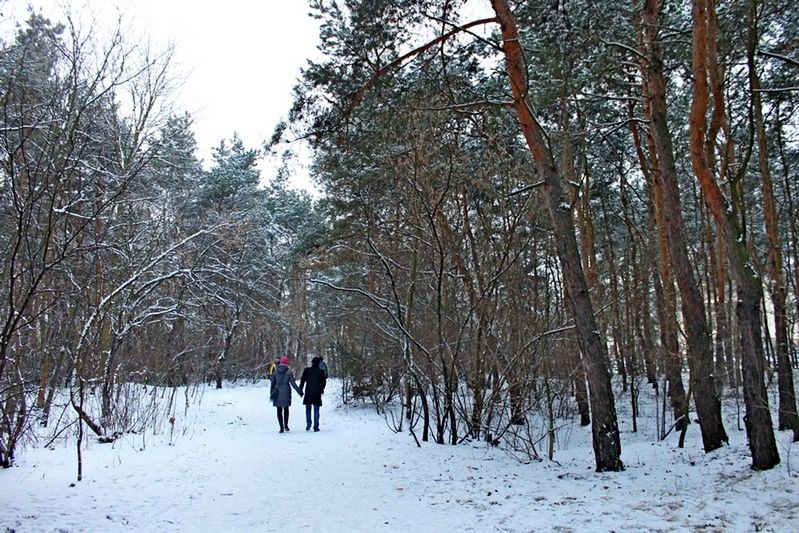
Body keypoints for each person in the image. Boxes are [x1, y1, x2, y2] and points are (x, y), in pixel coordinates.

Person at [270, 356, 302, 433]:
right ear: (287, 363)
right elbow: (293, 384)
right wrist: (299, 392)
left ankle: (281, 428)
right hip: (286, 391)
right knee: (286, 409)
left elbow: (272, 384)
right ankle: (286, 425)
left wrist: (271, 393)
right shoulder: (289, 372)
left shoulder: (275, 372)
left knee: (279, 410)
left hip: (277, 392)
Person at [300, 356, 327, 432]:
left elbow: (302, 380)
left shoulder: (307, 370)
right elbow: (324, 383)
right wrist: (321, 389)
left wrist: (300, 390)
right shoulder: (321, 372)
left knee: (308, 409)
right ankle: (316, 426)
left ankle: (308, 424)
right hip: (317, 392)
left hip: (308, 392)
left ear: (312, 363)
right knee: (316, 409)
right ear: (319, 363)